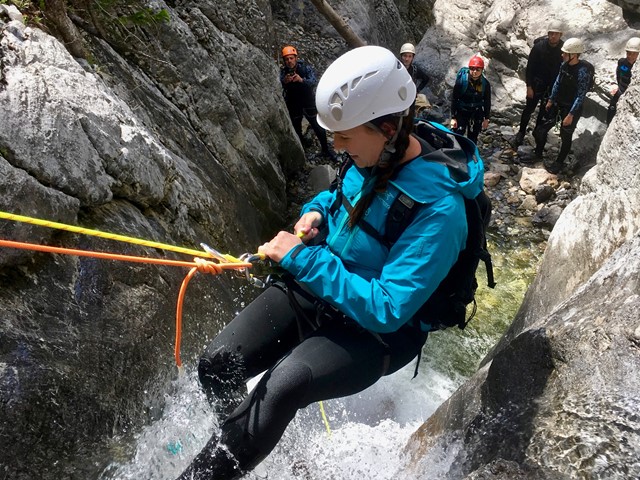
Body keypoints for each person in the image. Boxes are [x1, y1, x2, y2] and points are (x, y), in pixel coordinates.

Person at [176, 45, 485, 480]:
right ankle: (244, 447)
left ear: (388, 127)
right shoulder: (370, 151)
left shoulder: (441, 211)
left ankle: (222, 460)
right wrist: (317, 211)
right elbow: (341, 195)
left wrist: (302, 259)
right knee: (218, 362)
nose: (335, 146)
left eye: (344, 136)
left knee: (282, 386)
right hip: (321, 285)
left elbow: (387, 308)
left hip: (375, 333)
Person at [533, 38, 592, 174]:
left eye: (565, 53)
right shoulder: (564, 65)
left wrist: (571, 115)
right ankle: (538, 152)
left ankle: (559, 162)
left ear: (574, 55)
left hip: (571, 109)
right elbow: (557, 83)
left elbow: (580, 95)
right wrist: (551, 100)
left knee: (565, 136)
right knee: (541, 129)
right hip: (558, 104)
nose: (562, 55)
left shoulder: (583, 72)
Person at [510, 20, 564, 148]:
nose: (553, 36)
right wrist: (529, 86)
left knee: (543, 112)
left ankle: (537, 132)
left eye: (556, 34)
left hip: (551, 87)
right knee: (529, 109)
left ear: (560, 35)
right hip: (536, 84)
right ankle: (521, 132)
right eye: (551, 33)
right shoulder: (539, 47)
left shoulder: (563, 50)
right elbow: (530, 68)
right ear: (548, 34)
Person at [279, 45, 335, 160]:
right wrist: (285, 81)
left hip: (308, 102)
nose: (289, 61)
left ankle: (325, 150)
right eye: (287, 59)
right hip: (293, 104)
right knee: (296, 128)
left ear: (296, 58)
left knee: (317, 126)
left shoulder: (305, 68)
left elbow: (313, 81)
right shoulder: (283, 72)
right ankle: (302, 151)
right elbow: (279, 85)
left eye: (291, 58)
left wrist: (301, 80)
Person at [450, 55, 491, 145]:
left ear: (482, 70)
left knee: (473, 137)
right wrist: (453, 117)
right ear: (469, 69)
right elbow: (454, 99)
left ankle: (471, 154)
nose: (474, 72)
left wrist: (486, 118)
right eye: (472, 69)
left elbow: (487, 101)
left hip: (476, 113)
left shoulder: (485, 84)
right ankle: (456, 154)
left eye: (477, 69)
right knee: (458, 135)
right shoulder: (461, 82)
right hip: (462, 111)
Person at [606, 37, 639, 125]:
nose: (630, 56)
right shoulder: (622, 62)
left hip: (630, 98)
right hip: (620, 92)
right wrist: (617, 85)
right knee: (611, 113)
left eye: (634, 53)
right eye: (628, 52)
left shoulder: (637, 69)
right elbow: (618, 75)